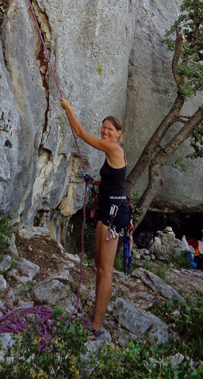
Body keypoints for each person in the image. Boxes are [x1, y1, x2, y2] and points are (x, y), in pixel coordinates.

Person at [60, 97, 131, 339]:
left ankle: (98, 326)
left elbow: (79, 132)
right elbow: (115, 182)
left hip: (114, 212)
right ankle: (96, 316)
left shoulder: (113, 148)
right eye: (104, 127)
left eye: (110, 129)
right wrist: (96, 182)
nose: (105, 131)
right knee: (99, 266)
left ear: (118, 134)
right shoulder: (113, 153)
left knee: (105, 269)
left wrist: (68, 108)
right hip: (107, 208)